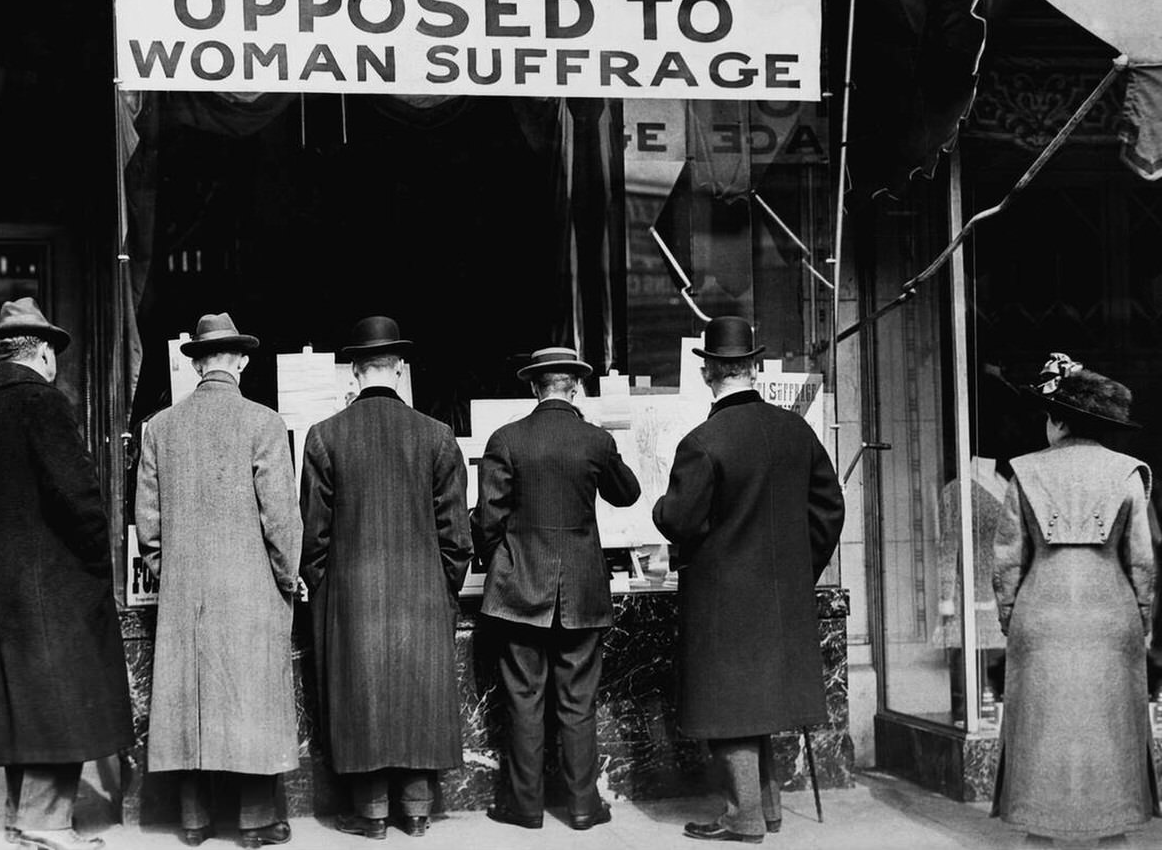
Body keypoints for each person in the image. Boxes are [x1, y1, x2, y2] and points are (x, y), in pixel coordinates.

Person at [652, 316, 844, 845]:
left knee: (731, 707)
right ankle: (770, 809)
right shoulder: (795, 431)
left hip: (721, 599)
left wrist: (658, 509)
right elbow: (829, 510)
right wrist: (799, 571)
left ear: (708, 371)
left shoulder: (703, 442)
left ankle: (743, 817)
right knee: (761, 701)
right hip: (781, 597)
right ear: (754, 367)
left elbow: (680, 519)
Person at [0, 298, 133, 850]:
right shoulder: (45, 403)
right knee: (60, 697)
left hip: (0, 575)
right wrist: (97, 561)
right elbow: (79, 496)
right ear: (45, 354)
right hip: (54, 578)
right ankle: (45, 822)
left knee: (20, 698)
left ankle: (20, 815)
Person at [299, 315, 472, 839]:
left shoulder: (324, 436)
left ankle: (371, 813)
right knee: (417, 696)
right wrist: (442, 585)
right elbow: (457, 537)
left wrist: (327, 591)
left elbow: (314, 536)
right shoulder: (438, 437)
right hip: (421, 594)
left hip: (352, 599)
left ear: (354, 371)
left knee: (362, 699)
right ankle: (416, 810)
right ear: (399, 369)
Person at [135, 313, 301, 848]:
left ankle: (193, 820)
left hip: (185, 592)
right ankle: (255, 823)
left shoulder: (160, 427)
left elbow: (148, 524)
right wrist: (287, 577)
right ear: (242, 361)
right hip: (251, 590)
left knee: (191, 702)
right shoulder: (264, 422)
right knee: (252, 700)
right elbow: (281, 518)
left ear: (197, 364)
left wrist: (172, 574)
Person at [472, 346, 642, 831]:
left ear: (533, 387)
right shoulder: (594, 440)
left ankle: (525, 808)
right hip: (583, 594)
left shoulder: (506, 439)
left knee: (524, 700)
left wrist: (496, 559)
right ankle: (585, 806)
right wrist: (599, 443)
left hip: (519, 591)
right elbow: (626, 493)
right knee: (577, 702)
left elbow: (488, 520)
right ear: (576, 388)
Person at [991, 353, 1158, 841]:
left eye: (1048, 417)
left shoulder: (1024, 473)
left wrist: (1010, 617)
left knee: (1041, 737)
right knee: (1112, 739)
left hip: (1040, 616)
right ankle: (1112, 834)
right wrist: (1141, 621)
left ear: (1059, 421)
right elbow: (1143, 563)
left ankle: (1041, 833)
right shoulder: (1129, 474)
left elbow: (1006, 561)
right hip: (1111, 619)